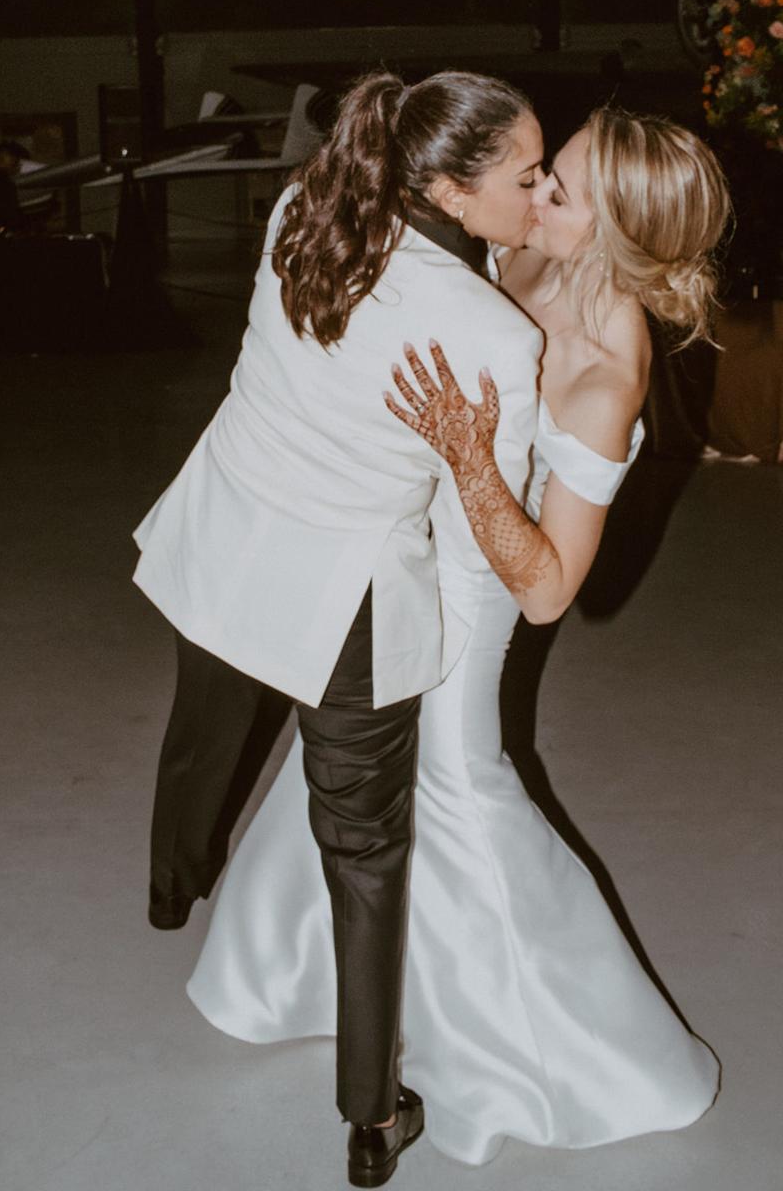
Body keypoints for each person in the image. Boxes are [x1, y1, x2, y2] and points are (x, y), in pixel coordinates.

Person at [186, 106, 731, 1167]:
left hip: (482, 586)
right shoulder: (513, 251)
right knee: (347, 757)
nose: (533, 196)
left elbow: (548, 592)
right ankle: (304, 975)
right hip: (400, 544)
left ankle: (560, 1044)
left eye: (557, 190)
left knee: (454, 778)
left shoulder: (606, 367)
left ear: (612, 235)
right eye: (542, 175)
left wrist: (475, 463)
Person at [132, 70, 547, 1186]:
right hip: (347, 605)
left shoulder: (302, 210)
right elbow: (479, 533)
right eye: (526, 175)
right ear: (455, 194)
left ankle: (172, 891)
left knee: (199, 731)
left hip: (226, 531)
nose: (541, 191)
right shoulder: (495, 338)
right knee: (363, 855)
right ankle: (370, 1119)